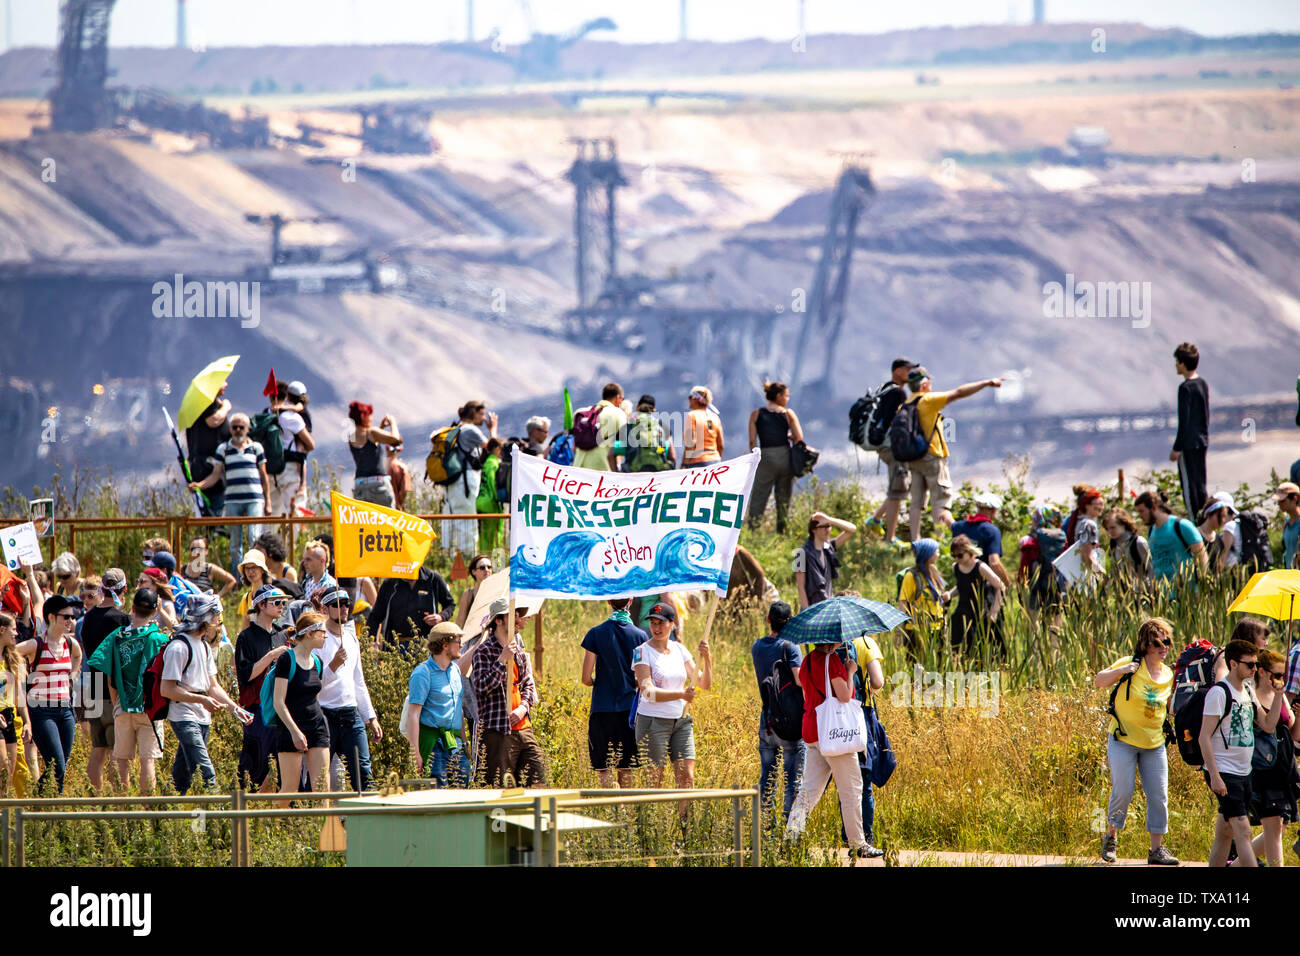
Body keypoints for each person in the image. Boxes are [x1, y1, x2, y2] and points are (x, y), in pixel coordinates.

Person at [1092, 617, 1179, 865]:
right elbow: (1099, 681)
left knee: (1159, 794)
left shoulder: (1168, 674)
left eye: (1168, 640)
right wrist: (1121, 670)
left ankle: (1156, 850)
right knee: (1123, 790)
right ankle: (1111, 835)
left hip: (1154, 742)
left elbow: (1167, 705)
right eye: (1159, 641)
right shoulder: (1132, 664)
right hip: (1123, 739)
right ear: (1146, 643)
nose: (1165, 646)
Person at [783, 639, 871, 858]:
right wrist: (850, 671)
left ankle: (790, 837)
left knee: (809, 790)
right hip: (835, 733)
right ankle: (858, 844)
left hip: (813, 730)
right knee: (851, 789)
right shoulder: (832, 661)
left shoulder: (807, 661)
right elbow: (844, 695)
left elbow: (808, 691)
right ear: (832, 640)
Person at [1201, 639, 1285, 868]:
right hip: (1224, 771)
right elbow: (1204, 737)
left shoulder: (1248, 690)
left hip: (1244, 771)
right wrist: (1216, 777)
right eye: (1250, 665)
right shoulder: (1219, 693)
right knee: (1243, 830)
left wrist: (1278, 696)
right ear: (1233, 664)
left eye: (1256, 664)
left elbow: (1268, 725)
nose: (1255, 669)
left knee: (1225, 832)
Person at [163, 594, 250, 793]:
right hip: (184, 716)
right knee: (206, 772)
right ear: (205, 617)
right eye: (216, 615)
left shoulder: (203, 646)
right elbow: (167, 689)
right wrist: (201, 699)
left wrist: (235, 709)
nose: (219, 620)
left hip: (203, 717)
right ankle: (221, 815)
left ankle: (164, 813)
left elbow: (213, 686)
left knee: (182, 776)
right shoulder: (178, 647)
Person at [903, 367, 1002, 541]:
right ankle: (942, 541)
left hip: (913, 459)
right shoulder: (927, 400)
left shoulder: (906, 403)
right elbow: (958, 393)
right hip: (932, 456)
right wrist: (986, 383)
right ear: (924, 384)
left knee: (916, 503)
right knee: (940, 501)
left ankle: (915, 541)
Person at [88, 587, 170, 794]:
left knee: (121, 759)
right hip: (149, 710)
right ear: (154, 612)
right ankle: (145, 809)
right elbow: (179, 634)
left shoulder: (116, 636)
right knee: (147, 761)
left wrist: (117, 703)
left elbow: (109, 676)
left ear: (132, 608)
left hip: (123, 706)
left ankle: (122, 807)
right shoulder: (158, 638)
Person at [632, 601, 711, 790]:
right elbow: (648, 692)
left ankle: (684, 819)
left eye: (661, 623)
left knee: (687, 778)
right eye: (653, 623)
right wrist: (681, 694)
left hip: (681, 720)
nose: (656, 627)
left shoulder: (679, 649)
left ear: (672, 624)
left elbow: (704, 683)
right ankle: (651, 819)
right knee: (655, 781)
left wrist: (707, 659)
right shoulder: (641, 651)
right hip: (652, 721)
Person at [471, 598, 546, 787]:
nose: (518, 618)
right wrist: (501, 661)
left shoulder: (519, 650)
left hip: (523, 727)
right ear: (499, 620)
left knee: (538, 783)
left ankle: (534, 817)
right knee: (500, 787)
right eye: (512, 615)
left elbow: (528, 684)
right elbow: (480, 686)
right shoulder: (484, 651)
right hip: (497, 730)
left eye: (518, 614)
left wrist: (522, 708)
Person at [17, 594, 83, 793]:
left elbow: (78, 656)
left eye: (73, 617)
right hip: (41, 711)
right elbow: (11, 651)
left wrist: (72, 677)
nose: (71, 621)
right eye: (66, 617)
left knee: (60, 767)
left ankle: (50, 814)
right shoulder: (36, 644)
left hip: (65, 710)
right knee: (57, 766)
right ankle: (38, 809)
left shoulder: (70, 644)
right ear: (52, 617)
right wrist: (19, 672)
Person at [189, 411, 269, 573]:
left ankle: (257, 574)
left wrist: (268, 501)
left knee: (254, 538)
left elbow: (263, 475)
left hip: (254, 498)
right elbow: (215, 475)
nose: (238, 430)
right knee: (235, 542)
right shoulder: (223, 449)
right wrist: (199, 485)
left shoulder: (256, 448)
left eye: (241, 427)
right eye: (234, 427)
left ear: (247, 429)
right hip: (233, 500)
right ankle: (238, 577)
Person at [317, 585, 380, 792]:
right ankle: (315, 822)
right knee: (320, 777)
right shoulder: (318, 639)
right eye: (337, 604)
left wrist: (370, 717)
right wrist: (332, 666)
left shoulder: (352, 638)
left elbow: (358, 681)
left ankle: (368, 821)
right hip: (325, 716)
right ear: (325, 609)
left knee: (363, 772)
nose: (344, 608)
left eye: (346, 604)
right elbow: (313, 684)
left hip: (351, 715)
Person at [581, 598, 645, 788]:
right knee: (626, 768)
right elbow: (642, 679)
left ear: (608, 601)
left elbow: (585, 678)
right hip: (629, 710)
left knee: (603, 768)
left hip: (602, 708)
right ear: (631, 601)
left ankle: (611, 805)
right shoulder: (641, 636)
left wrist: (598, 682)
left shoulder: (595, 634)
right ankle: (624, 812)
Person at [751, 601, 804, 822]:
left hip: (767, 718)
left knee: (767, 778)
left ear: (768, 620)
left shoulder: (757, 646)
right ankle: (789, 829)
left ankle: (765, 828)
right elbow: (800, 680)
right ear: (790, 621)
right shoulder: (790, 647)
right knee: (793, 779)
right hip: (790, 721)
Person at [234, 585, 290, 791]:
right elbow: (245, 674)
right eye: (277, 602)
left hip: (280, 708)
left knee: (281, 764)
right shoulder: (246, 637)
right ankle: (246, 811)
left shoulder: (282, 634)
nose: (281, 606)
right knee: (254, 765)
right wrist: (271, 656)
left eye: (284, 602)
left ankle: (279, 816)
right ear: (260, 605)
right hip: (256, 710)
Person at [78, 568, 129, 791]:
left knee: (98, 749)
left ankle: (95, 805)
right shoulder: (122, 619)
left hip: (93, 687)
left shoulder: (87, 619)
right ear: (124, 589)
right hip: (113, 690)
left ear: (101, 589)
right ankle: (119, 806)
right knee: (118, 751)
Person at [271, 611, 332, 795]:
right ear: (309, 634)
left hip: (317, 726)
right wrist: (295, 731)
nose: (325, 636)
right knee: (290, 788)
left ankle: (324, 825)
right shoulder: (286, 660)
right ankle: (266, 822)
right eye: (322, 632)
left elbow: (315, 696)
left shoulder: (317, 661)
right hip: (291, 728)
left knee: (323, 787)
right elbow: (278, 702)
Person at [1248, 647, 1299, 867]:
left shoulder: (1279, 695)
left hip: (1284, 765)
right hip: (1262, 766)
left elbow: (1293, 733)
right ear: (1261, 671)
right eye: (1276, 675)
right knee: (1274, 824)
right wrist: (1279, 696)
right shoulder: (1251, 694)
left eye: (1283, 676)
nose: (1281, 681)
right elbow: (1268, 727)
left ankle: (1240, 861)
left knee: (1281, 825)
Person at [863, 358, 919, 548]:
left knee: (901, 487)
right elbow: (901, 422)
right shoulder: (898, 393)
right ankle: (890, 540)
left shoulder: (886, 388)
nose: (910, 373)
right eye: (907, 370)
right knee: (897, 491)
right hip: (894, 447)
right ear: (897, 371)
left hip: (883, 446)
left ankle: (875, 520)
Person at [407, 622, 472, 786]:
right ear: (445, 645)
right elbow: (413, 714)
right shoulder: (423, 673)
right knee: (437, 792)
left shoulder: (456, 670)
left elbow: (458, 710)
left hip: (454, 742)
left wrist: (464, 742)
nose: (461, 645)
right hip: (433, 744)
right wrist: (415, 753)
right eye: (458, 641)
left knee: (462, 788)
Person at [443, 400, 497, 554]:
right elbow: (493, 449)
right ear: (473, 413)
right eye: (482, 414)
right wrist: (493, 429)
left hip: (452, 482)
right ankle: (469, 562)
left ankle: (448, 558)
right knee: (468, 522)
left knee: (452, 521)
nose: (484, 418)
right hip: (465, 481)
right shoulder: (470, 430)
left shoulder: (455, 429)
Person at [747, 381, 800, 533]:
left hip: (765, 457)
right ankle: (782, 532)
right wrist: (787, 435)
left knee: (759, 496)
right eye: (786, 396)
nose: (787, 399)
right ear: (778, 396)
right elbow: (799, 437)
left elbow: (752, 441)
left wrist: (755, 458)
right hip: (784, 456)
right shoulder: (788, 414)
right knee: (783, 498)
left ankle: (753, 531)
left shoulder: (756, 414)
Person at [368, 563, 455, 652]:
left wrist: (441, 617)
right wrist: (371, 642)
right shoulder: (390, 583)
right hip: (395, 646)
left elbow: (450, 604)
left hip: (426, 645)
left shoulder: (433, 579)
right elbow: (375, 616)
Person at [943, 535, 1006, 658]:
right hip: (963, 610)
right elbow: (961, 586)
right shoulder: (955, 567)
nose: (957, 559)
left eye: (960, 555)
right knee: (958, 645)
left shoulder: (981, 567)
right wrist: (950, 594)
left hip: (981, 611)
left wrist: (994, 611)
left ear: (969, 551)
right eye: (954, 556)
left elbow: (1000, 586)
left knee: (982, 648)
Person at [1171, 342, 1209, 521]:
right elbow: (1205, 415)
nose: (1176, 365)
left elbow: (1184, 421)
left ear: (1183, 363)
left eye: (1177, 362)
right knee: (1201, 484)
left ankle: (1195, 521)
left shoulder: (1185, 388)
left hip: (1188, 444)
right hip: (1201, 442)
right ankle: (1205, 518)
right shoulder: (1202, 384)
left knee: (1189, 485)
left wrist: (1177, 447)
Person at [1135, 489, 1208, 584]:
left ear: (1153, 507)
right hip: (1164, 595)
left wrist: (1202, 585)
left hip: (1187, 592)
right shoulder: (1151, 531)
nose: (1139, 516)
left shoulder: (1181, 525)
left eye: (1142, 511)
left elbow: (1201, 556)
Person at [185, 383, 232, 518]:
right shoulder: (206, 402)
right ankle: (213, 533)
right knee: (213, 510)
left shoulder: (212, 403)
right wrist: (226, 407)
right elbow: (213, 421)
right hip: (207, 466)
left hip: (209, 465)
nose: (226, 384)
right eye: (222, 381)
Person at [269, 380, 315, 517]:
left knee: (274, 512)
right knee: (301, 455)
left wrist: (282, 408)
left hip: (273, 467)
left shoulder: (274, 414)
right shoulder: (294, 417)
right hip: (291, 464)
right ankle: (302, 484)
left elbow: (297, 407)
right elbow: (311, 444)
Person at [793, 512, 855, 610]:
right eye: (824, 527)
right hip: (812, 610)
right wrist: (806, 612)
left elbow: (852, 529)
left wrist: (830, 520)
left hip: (829, 607)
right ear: (814, 530)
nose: (828, 530)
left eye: (829, 526)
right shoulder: (800, 553)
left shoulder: (829, 547)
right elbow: (800, 586)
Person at [950, 492, 1011, 587]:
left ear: (978, 508)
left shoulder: (959, 526)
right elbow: (994, 563)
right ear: (993, 511)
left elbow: (947, 520)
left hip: (964, 582)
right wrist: (1007, 583)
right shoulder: (992, 531)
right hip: (984, 586)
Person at [348, 401, 402, 508]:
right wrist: (393, 423)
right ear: (363, 416)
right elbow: (396, 440)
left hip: (360, 486)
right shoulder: (372, 432)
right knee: (386, 520)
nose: (371, 419)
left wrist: (380, 428)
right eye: (369, 416)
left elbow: (369, 447)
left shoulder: (351, 436)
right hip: (378, 486)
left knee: (366, 523)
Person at [0, 613, 31, 795]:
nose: (16, 633)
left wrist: (26, 721)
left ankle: (8, 817)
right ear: (2, 630)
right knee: (3, 769)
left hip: (10, 718)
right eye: (13, 629)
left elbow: (19, 695)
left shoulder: (13, 660)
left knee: (11, 773)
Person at [898, 538, 946, 653]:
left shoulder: (934, 572)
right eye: (936, 551)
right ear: (928, 553)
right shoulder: (911, 576)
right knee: (918, 670)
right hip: (916, 631)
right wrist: (899, 633)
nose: (938, 554)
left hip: (937, 629)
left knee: (937, 669)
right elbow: (903, 604)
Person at [573, 383, 627, 472]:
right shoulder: (618, 414)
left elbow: (574, 447)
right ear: (618, 398)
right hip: (602, 468)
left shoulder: (581, 413)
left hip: (579, 468)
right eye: (622, 399)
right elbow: (621, 446)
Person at [1102, 507, 1153, 589]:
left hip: (1142, 591)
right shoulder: (1113, 543)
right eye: (1107, 529)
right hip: (1124, 592)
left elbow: (1151, 569)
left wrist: (1152, 593)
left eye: (1113, 527)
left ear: (1123, 524)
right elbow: (1116, 569)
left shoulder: (1138, 542)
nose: (1110, 532)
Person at [624, 394, 675, 473]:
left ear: (637, 407)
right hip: (659, 470)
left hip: (634, 471)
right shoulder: (662, 426)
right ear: (653, 410)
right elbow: (672, 456)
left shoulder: (628, 426)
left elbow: (611, 454)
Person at [681, 385, 723, 469]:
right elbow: (720, 444)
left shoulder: (692, 415)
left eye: (690, 397)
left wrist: (684, 464)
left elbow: (691, 442)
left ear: (696, 399)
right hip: (715, 460)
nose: (689, 400)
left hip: (698, 461)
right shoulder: (715, 417)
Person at [1198, 493, 1241, 571]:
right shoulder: (1195, 535)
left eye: (1225, 516)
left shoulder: (1218, 539)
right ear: (1209, 514)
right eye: (1220, 516)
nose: (1223, 520)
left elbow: (1219, 565)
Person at [475, 438, 504, 552]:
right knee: (496, 535)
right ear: (497, 449)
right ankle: (498, 564)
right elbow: (493, 484)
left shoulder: (486, 462)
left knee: (484, 535)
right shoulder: (493, 463)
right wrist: (499, 500)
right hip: (491, 504)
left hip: (481, 502)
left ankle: (482, 559)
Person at [454, 554, 494, 630]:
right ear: (473, 572)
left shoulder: (498, 591)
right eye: (482, 568)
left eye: (489, 567)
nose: (486, 570)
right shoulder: (468, 594)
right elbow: (460, 621)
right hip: (473, 638)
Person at [300, 540, 338, 607]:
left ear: (322, 560)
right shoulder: (306, 582)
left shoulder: (330, 585)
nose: (304, 563)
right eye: (304, 559)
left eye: (308, 559)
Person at [1277, 482, 1300, 570]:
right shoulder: (1286, 522)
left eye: (1282, 501)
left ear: (1295, 498)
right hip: (1289, 573)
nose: (1279, 504)